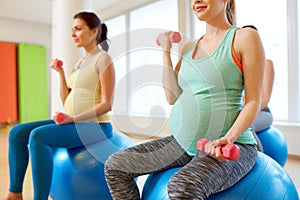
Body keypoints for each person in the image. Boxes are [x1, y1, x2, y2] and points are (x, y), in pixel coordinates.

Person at [104, 0, 265, 199]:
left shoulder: (244, 37)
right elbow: (172, 96)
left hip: (231, 145)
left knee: (182, 187)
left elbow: (253, 101)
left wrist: (228, 138)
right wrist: (165, 51)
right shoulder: (190, 47)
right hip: (183, 144)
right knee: (115, 166)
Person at [4, 11, 115, 200]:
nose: (73, 34)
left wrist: (73, 118)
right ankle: (15, 193)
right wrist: (61, 73)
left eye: (78, 29)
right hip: (72, 123)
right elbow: (67, 100)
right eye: (72, 29)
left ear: (94, 31)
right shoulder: (80, 62)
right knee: (17, 133)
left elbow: (107, 104)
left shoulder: (103, 59)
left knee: (39, 136)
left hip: (96, 126)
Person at [242, 25, 275, 132]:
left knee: (248, 127)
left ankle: (255, 150)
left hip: (262, 111)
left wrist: (246, 112)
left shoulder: (267, 64)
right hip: (241, 112)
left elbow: (264, 100)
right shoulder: (240, 65)